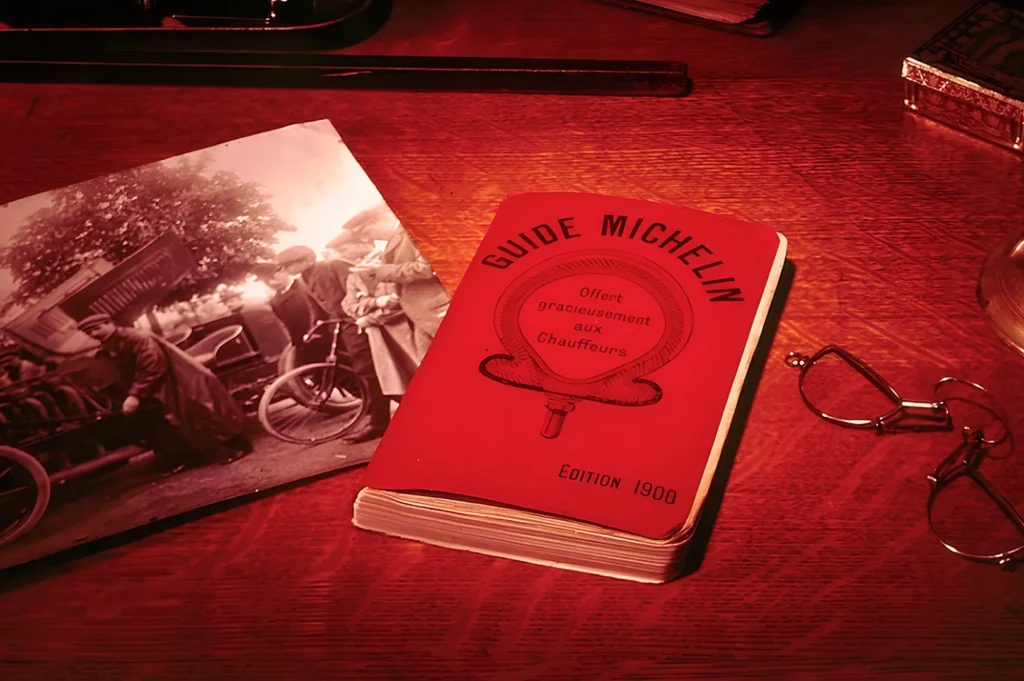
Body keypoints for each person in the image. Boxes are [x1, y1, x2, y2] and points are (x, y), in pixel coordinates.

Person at [77, 313, 252, 474]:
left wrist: (135, 394)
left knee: (206, 413)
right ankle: (192, 456)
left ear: (109, 323)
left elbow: (152, 366)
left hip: (180, 380)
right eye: (89, 332)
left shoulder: (137, 338)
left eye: (97, 328)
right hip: (161, 385)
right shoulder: (113, 344)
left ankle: (239, 446)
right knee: (178, 423)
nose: (94, 334)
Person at [273, 245, 391, 442]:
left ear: (307, 260)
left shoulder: (333, 266)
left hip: (363, 322)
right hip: (345, 328)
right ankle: (380, 421)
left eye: (289, 265)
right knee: (369, 372)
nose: (285, 270)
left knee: (374, 370)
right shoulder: (303, 280)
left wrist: (362, 316)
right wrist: (314, 330)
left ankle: (380, 422)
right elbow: (315, 308)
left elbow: (360, 291)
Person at [342, 245, 422, 407]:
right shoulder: (354, 277)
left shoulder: (391, 271)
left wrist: (369, 317)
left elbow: (401, 304)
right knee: (398, 379)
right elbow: (350, 306)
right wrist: (377, 302)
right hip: (379, 337)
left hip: (407, 330)